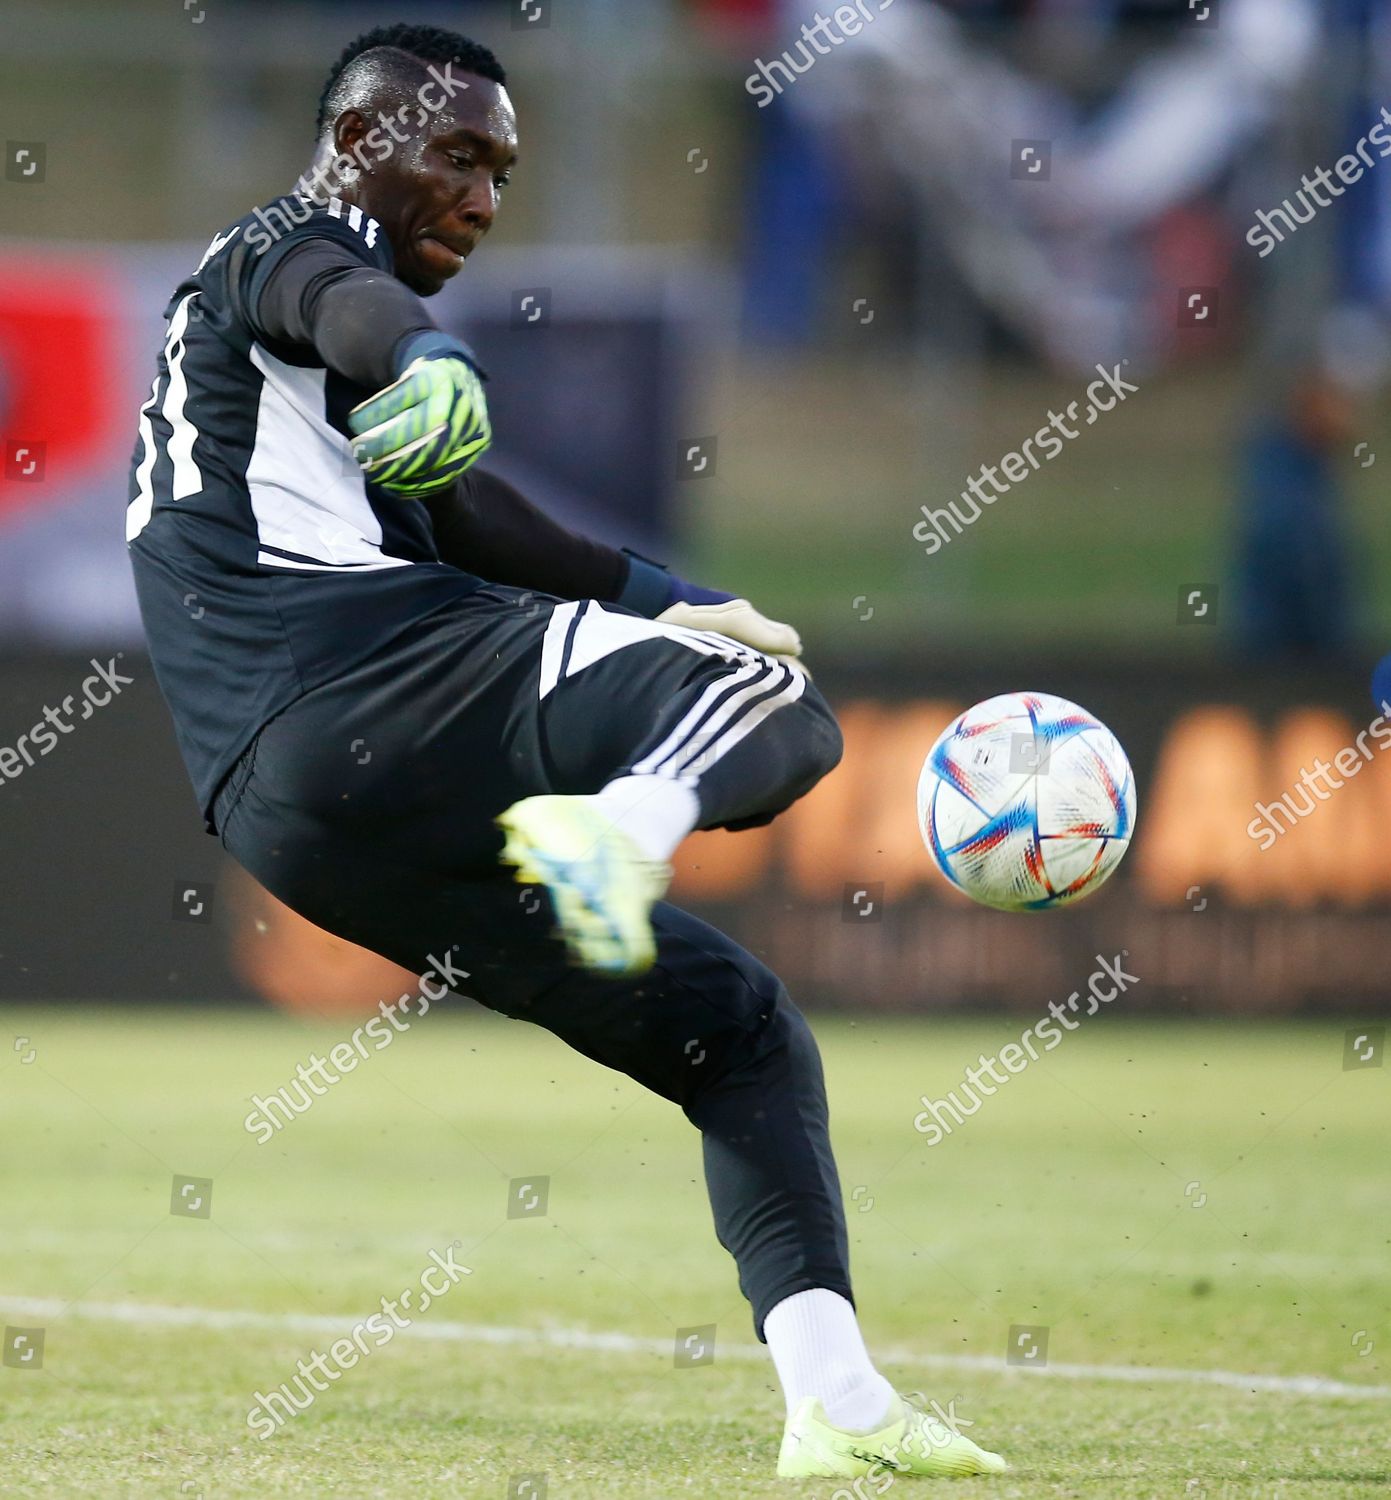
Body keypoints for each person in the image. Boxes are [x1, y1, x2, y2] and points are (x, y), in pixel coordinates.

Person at [125, 22, 1006, 1480]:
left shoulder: (307, 348)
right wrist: (432, 354)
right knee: (779, 714)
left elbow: (469, 520)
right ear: (357, 143)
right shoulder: (280, 246)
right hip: (354, 675)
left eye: (503, 172)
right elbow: (340, 298)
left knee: (737, 1031)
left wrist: (668, 595)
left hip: (293, 813)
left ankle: (837, 1408)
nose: (480, 197)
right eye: (455, 154)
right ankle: (632, 822)